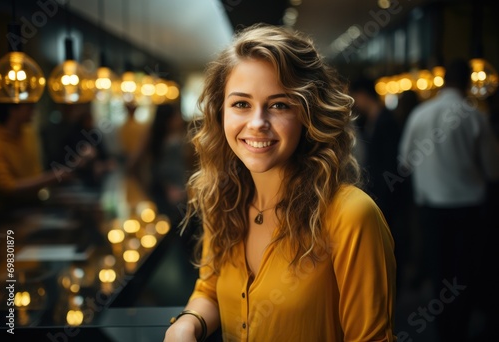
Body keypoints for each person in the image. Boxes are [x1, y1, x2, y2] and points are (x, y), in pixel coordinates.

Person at [164, 24, 396, 342]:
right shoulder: (223, 199)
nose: (257, 123)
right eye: (241, 104)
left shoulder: (351, 216)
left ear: (308, 113)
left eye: (279, 104)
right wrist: (186, 324)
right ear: (220, 113)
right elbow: (209, 289)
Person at [398, 59, 499, 341]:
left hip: (431, 208)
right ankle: (461, 327)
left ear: (443, 81)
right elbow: (493, 169)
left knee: (439, 271)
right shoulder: (475, 116)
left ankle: (442, 330)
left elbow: (404, 162)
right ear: (467, 82)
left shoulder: (420, 114)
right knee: (465, 272)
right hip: (469, 208)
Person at [0, 103, 92, 215]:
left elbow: (36, 173)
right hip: (8, 212)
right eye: (29, 106)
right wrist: (53, 177)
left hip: (34, 205)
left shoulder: (29, 134)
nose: (34, 110)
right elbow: (7, 187)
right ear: (12, 110)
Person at [349, 77, 402, 226]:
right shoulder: (368, 120)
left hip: (387, 194)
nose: (355, 102)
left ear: (363, 94)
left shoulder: (386, 121)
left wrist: (383, 194)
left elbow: (391, 161)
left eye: (355, 97)